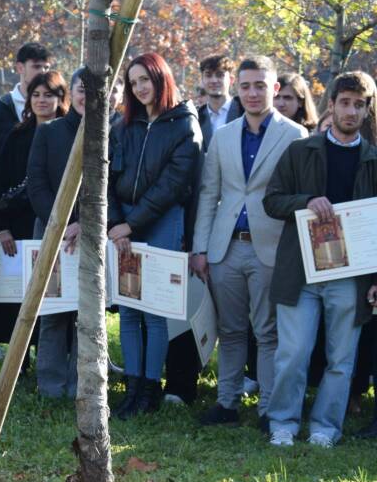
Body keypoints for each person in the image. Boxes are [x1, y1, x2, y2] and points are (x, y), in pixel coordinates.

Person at [191, 56, 307, 427]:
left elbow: (297, 194)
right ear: (236, 89)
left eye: (260, 85)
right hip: (226, 247)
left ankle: (268, 409)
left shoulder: (294, 135)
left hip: (271, 246)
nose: (253, 93)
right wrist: (201, 248)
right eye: (246, 86)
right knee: (230, 329)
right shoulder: (223, 136)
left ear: (275, 88)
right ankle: (227, 404)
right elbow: (209, 194)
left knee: (268, 331)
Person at [262, 72, 377, 448]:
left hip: (352, 273)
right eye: (345, 103)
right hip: (302, 269)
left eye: (359, 105)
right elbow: (272, 200)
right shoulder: (302, 150)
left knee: (341, 357)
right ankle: (283, 422)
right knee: (293, 353)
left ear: (367, 110)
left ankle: (326, 428)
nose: (351, 111)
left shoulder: (374, 159)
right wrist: (306, 202)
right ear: (331, 105)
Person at [108, 52, 203, 418]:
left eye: (145, 79)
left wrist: (131, 225)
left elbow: (171, 185)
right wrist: (116, 223)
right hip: (124, 223)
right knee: (130, 309)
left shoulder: (184, 125)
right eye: (133, 83)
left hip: (162, 221)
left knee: (155, 311)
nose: (139, 88)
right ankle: (132, 388)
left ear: (160, 78)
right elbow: (109, 179)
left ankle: (150, 389)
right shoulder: (123, 125)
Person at [0, 70, 68, 374]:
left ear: (61, 99)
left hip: (56, 225)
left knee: (54, 296)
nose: (42, 100)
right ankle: (19, 363)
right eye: (36, 94)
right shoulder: (18, 134)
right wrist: (1, 226)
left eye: (49, 94)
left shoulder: (69, 134)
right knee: (20, 298)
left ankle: (51, 361)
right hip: (19, 227)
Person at [0, 42, 51, 360]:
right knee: (0, 273)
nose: (41, 74)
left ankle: (32, 342)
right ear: (19, 68)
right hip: (4, 208)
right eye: (35, 66)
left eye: (46, 67)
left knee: (35, 277)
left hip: (38, 212)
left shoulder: (53, 111)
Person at [26, 68, 86, 398]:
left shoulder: (109, 132)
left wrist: (84, 223)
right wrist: (61, 223)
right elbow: (36, 182)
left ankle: (81, 385)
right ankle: (50, 384)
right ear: (71, 93)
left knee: (84, 316)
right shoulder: (48, 132)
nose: (85, 97)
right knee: (51, 312)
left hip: (90, 232)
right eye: (81, 89)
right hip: (51, 230)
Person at [197, 54, 243, 150]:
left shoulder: (244, 112)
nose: (214, 80)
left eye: (219, 75)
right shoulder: (196, 118)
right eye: (208, 75)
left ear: (231, 80)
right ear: (202, 80)